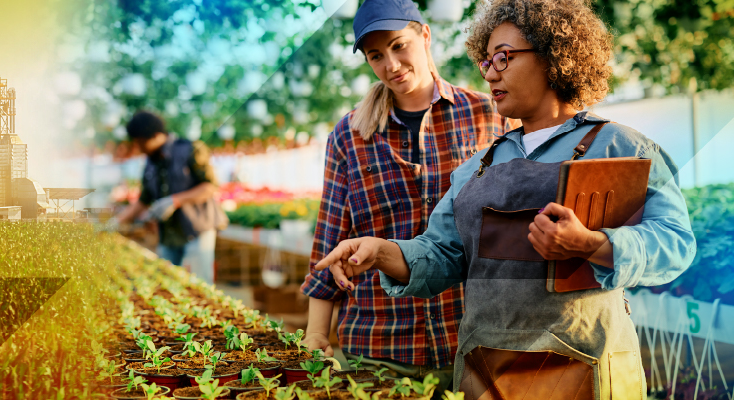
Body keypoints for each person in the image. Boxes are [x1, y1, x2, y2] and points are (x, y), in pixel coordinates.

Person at [313, 0, 695, 396]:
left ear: (553, 56)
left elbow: (674, 242)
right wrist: (381, 253)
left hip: (589, 368)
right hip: (487, 373)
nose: (491, 72)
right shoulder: (476, 167)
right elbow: (442, 253)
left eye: (504, 58)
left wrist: (592, 245)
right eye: (487, 61)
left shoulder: (621, 146)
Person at [297, 0, 515, 384]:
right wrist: (316, 333)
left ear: (425, 35)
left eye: (399, 46)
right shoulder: (350, 135)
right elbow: (330, 239)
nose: (390, 65)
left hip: (473, 342)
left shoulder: (490, 116)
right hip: (380, 346)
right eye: (375, 55)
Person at [113, 110, 225, 283]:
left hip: (197, 229)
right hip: (169, 234)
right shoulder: (150, 163)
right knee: (166, 283)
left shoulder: (190, 149)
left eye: (141, 142)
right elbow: (144, 200)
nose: (139, 147)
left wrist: (176, 201)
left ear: (156, 135)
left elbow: (210, 187)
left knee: (199, 284)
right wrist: (116, 223)